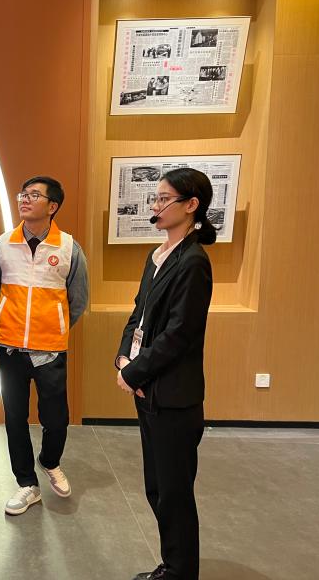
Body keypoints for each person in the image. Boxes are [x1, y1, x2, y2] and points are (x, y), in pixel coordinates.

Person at [116, 168, 215, 580]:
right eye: (154, 198)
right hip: (149, 390)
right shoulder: (157, 255)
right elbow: (139, 313)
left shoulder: (193, 262)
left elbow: (179, 334)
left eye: (163, 199)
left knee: (174, 494)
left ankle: (179, 572)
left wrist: (135, 373)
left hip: (173, 397)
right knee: (157, 487)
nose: (155, 206)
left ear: (191, 206)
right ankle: (174, 564)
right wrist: (124, 358)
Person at [0, 176, 89, 516]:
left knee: (56, 418)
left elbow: (78, 300)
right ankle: (27, 483)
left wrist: (53, 325)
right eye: (23, 194)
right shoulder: (2, 244)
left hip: (50, 349)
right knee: (15, 417)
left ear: (52, 206)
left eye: (34, 195)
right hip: (9, 348)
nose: (25, 200)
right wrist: (8, 320)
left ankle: (50, 460)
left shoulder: (69, 248)